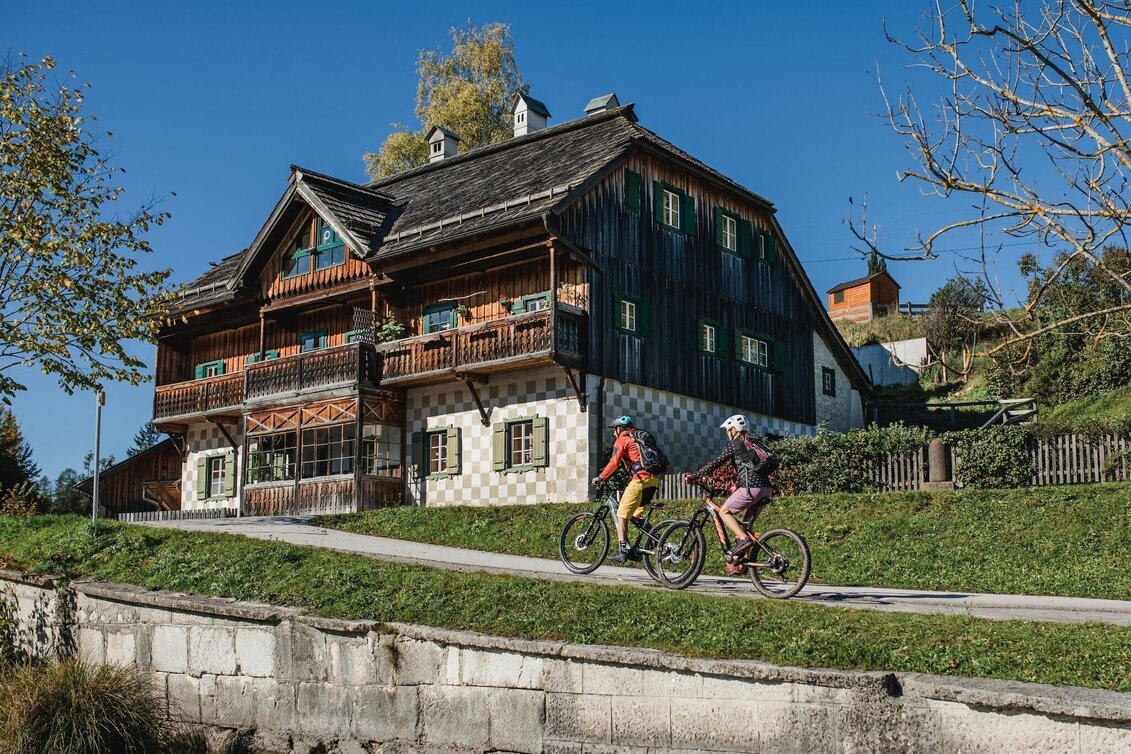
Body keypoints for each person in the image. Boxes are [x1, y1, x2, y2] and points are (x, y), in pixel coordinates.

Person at [685, 414, 773, 569]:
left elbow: (716, 462)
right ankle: (741, 565)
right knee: (745, 528)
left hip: (751, 488)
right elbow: (750, 468)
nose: (727, 432)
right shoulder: (752, 443)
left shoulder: (735, 444)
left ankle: (743, 541)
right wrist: (737, 485)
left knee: (724, 512)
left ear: (733, 430)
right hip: (766, 489)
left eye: (728, 429)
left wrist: (694, 475)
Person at [592, 415, 660, 563]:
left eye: (614, 430)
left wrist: (601, 477)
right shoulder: (637, 438)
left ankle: (622, 551)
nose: (613, 433)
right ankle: (658, 540)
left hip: (640, 481)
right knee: (635, 516)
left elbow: (614, 462)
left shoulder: (622, 440)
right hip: (652, 481)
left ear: (619, 429)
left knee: (621, 514)